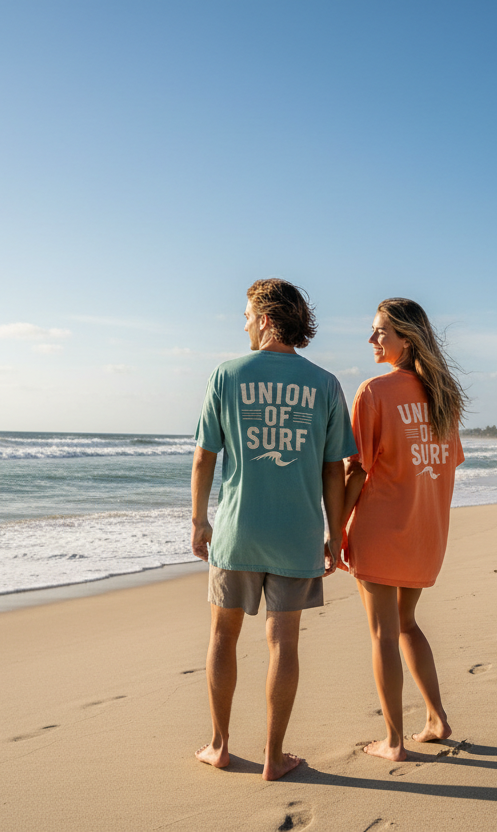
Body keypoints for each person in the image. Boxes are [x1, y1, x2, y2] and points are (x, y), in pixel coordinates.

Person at [191, 278, 357, 781]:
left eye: (246, 314)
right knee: (283, 641)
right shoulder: (325, 383)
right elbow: (335, 469)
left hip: (238, 531)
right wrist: (335, 533)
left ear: (265, 318)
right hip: (298, 532)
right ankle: (273, 755)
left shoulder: (226, 373)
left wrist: (200, 520)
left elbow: (204, 456)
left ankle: (220, 747)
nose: (242, 322)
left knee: (223, 636)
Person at [339, 297, 466, 762]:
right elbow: (445, 469)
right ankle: (435, 718)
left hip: (381, 529)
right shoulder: (445, 397)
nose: (372, 339)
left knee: (382, 633)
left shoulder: (374, 391)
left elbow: (356, 471)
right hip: (424, 533)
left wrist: (334, 530)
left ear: (405, 340)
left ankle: (393, 740)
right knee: (406, 624)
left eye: (380, 332)